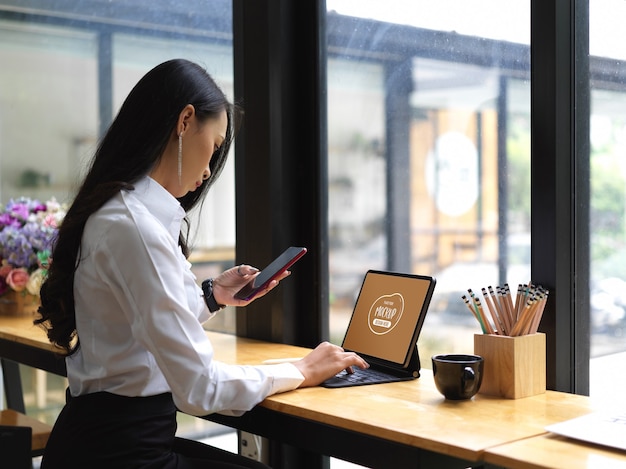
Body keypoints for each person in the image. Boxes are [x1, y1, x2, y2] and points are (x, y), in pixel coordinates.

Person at [35, 58, 368, 469]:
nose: (209, 170)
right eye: (214, 146)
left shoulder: (120, 213)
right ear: (185, 121)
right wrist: (300, 368)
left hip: (100, 443)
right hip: (122, 454)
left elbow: (140, 322)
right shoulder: (136, 228)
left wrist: (212, 296)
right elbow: (200, 388)